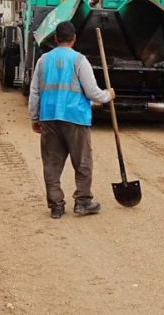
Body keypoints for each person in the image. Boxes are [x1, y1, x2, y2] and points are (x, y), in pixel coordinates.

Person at [29, 21, 114, 219]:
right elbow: (92, 92)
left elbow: (34, 92)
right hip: (75, 118)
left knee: (51, 164)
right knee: (83, 162)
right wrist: (108, 95)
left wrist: (34, 117)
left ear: (55, 38)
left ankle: (56, 206)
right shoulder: (79, 61)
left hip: (49, 117)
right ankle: (83, 202)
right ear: (74, 39)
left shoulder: (43, 61)